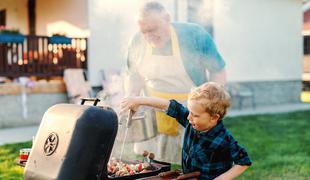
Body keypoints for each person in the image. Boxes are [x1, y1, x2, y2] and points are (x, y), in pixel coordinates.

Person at [124, 1, 226, 163]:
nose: (148, 36)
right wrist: (132, 97)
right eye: (144, 31)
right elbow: (134, 75)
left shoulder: (194, 35)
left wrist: (211, 104)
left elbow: (218, 70)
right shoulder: (137, 41)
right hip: (154, 112)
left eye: (153, 29)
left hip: (191, 111)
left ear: (167, 18)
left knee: (195, 165)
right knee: (155, 166)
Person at [121, 82, 252, 180]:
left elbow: (244, 161)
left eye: (195, 115)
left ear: (213, 118)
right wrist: (139, 100)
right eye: (190, 112)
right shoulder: (192, 122)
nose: (189, 117)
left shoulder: (223, 139)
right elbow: (169, 105)